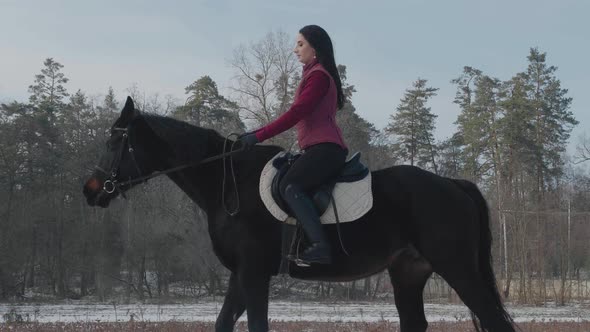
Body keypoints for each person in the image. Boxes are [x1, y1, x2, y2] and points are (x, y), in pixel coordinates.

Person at [239, 25, 348, 265]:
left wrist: (258, 136)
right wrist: (254, 133)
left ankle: (320, 246)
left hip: (327, 148)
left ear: (315, 48)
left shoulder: (318, 76)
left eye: (300, 44)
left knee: (290, 186)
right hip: (318, 148)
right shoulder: (313, 74)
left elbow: (296, 112)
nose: (295, 49)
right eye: (296, 44)